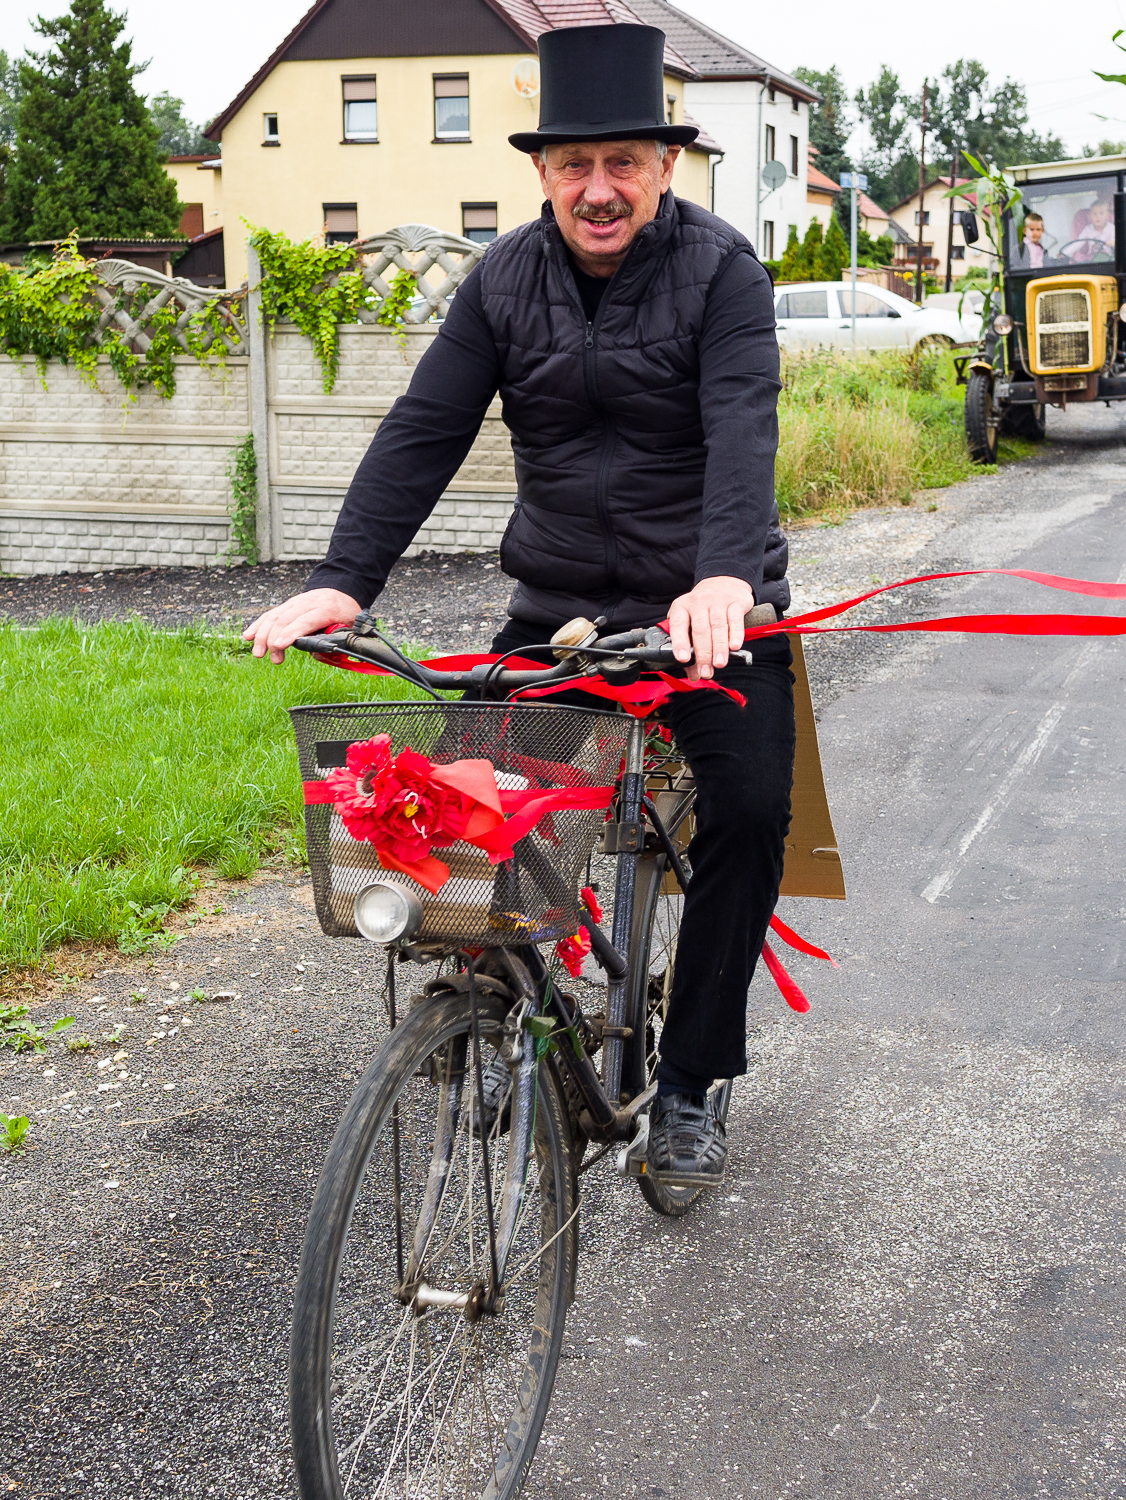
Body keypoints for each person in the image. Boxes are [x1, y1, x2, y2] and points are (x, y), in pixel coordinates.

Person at [243, 22, 789, 1191]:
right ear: (541, 174)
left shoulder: (725, 272)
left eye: (625, 163)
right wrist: (346, 577)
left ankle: (692, 1081)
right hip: (563, 611)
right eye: (575, 165)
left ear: (665, 166)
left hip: (709, 604)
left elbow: (745, 425)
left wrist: (725, 576)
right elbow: (424, 430)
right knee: (470, 810)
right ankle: (506, 1011)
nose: (600, 189)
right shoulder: (504, 282)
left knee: (748, 807)